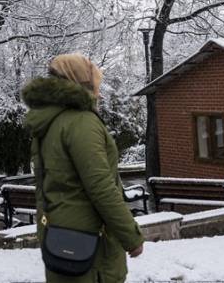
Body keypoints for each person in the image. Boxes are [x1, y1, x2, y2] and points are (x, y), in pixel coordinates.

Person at [22, 54, 145, 283]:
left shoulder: (50, 120)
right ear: (81, 82)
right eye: (94, 80)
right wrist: (131, 236)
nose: (98, 89)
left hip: (59, 234)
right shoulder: (81, 122)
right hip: (90, 241)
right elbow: (101, 186)